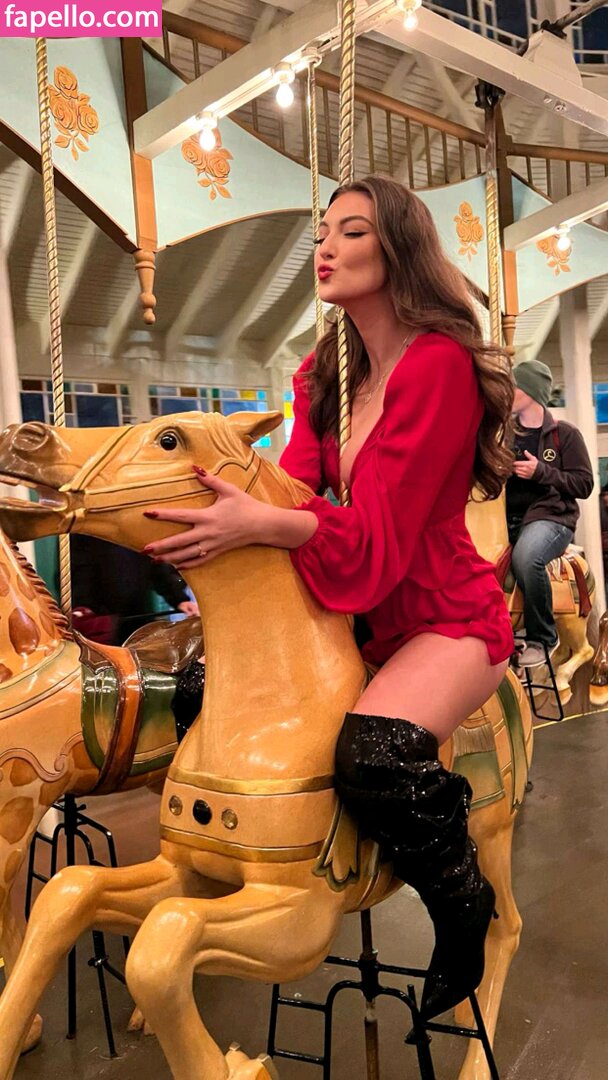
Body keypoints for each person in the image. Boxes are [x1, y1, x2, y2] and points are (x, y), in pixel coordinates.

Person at [141, 175, 515, 1019]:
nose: (326, 248)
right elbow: (293, 490)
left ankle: (462, 902)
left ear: (398, 249)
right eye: (323, 233)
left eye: (351, 232)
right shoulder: (326, 371)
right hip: (352, 595)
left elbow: (380, 537)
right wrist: (225, 528)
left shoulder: (440, 367)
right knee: (199, 691)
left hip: (439, 610)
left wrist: (265, 522)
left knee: (375, 754)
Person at [507, 360, 594, 668]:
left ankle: (542, 638)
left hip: (551, 517)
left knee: (527, 558)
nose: (509, 391)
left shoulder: (564, 434)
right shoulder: (503, 433)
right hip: (507, 517)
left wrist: (541, 472)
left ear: (531, 391)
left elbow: (584, 484)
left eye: (515, 386)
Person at [70, 534, 198, 646]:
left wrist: (179, 600)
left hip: (137, 617)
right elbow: (80, 570)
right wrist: (83, 606)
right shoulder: (86, 534)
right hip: (101, 621)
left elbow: (156, 567)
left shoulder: (136, 532)